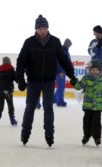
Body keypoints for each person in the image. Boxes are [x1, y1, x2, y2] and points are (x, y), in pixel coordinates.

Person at [16, 15, 76, 147]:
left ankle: (49, 135)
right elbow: (21, 61)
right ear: (36, 29)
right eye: (40, 28)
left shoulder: (55, 42)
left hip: (49, 82)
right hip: (33, 81)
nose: (42, 31)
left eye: (44, 28)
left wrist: (72, 75)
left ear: (48, 28)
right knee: (30, 108)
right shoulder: (29, 42)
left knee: (48, 108)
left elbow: (64, 60)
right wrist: (20, 80)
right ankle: (25, 134)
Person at [71, 59, 102, 146]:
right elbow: (79, 86)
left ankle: (97, 137)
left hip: (98, 106)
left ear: (100, 70)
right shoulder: (86, 78)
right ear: (90, 70)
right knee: (86, 121)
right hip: (88, 105)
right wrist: (74, 82)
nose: (95, 71)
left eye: (97, 70)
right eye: (93, 69)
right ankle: (86, 136)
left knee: (96, 122)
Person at [0, 57, 18, 126]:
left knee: (0, 106)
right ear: (9, 61)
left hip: (0, 91)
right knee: (10, 106)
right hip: (8, 91)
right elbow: (16, 79)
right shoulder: (11, 69)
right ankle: (12, 120)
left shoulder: (0, 69)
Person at [54, 38, 73, 107]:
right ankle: (59, 101)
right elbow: (59, 62)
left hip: (61, 70)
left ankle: (55, 99)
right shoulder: (62, 50)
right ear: (66, 43)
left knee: (60, 86)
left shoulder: (65, 50)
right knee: (61, 86)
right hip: (60, 71)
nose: (70, 46)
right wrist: (61, 71)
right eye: (69, 44)